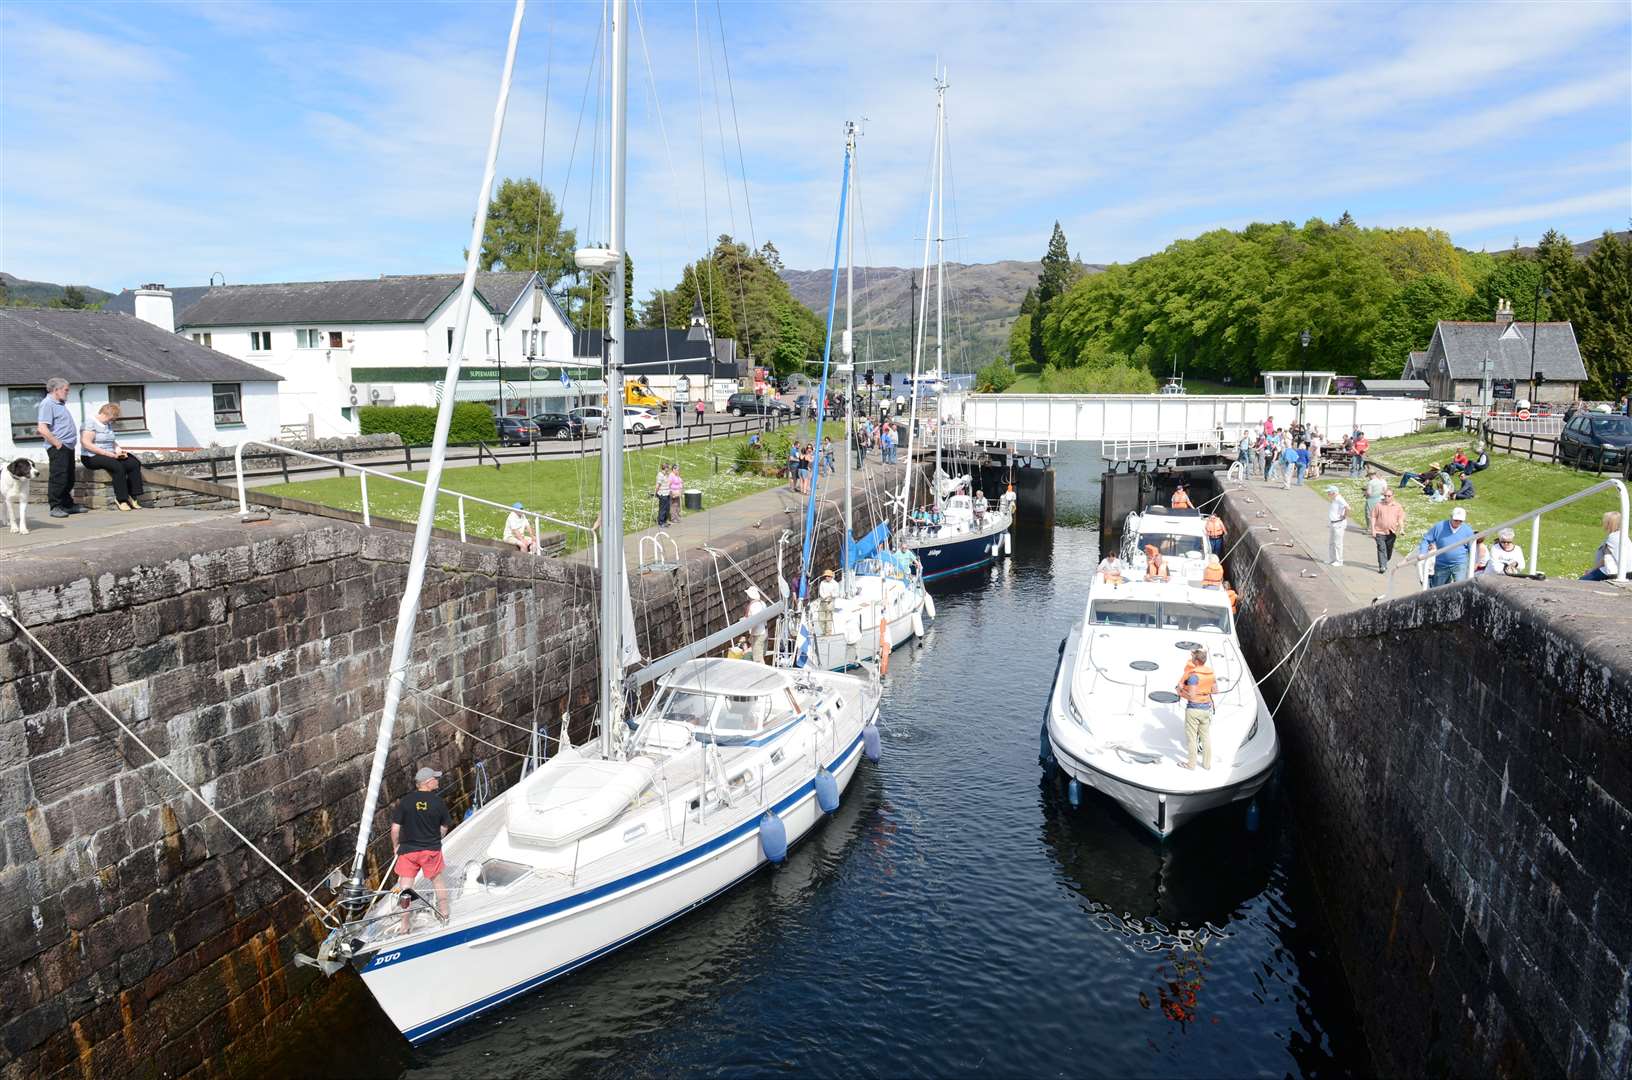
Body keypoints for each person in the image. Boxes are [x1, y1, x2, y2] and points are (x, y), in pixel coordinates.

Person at [391, 765, 453, 932]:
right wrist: (436, 838)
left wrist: (396, 846)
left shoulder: (405, 802)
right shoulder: (438, 802)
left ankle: (405, 924)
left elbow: (395, 829)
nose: (438, 781)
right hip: (430, 850)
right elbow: (444, 827)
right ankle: (445, 913)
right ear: (427, 782)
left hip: (408, 851)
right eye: (435, 778)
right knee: (438, 882)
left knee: (406, 888)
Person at [78, 403, 146, 510]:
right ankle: (121, 499)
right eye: (113, 419)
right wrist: (107, 454)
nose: (113, 421)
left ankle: (133, 496)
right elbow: (86, 443)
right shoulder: (90, 422)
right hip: (92, 456)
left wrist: (119, 451)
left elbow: (111, 441)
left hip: (110, 454)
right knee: (117, 466)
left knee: (133, 463)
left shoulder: (107, 423)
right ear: (106, 414)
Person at [35, 377, 85, 518]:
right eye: (66, 390)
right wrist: (57, 443)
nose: (67, 393)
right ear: (56, 390)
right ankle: (55, 506)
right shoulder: (47, 404)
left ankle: (67, 505)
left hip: (67, 446)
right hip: (58, 447)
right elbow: (42, 428)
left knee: (69, 477)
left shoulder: (59, 403)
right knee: (59, 477)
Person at [1177, 647, 1215, 771]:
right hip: (1206, 709)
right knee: (1206, 737)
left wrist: (1180, 691)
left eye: (1193, 658)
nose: (1191, 659)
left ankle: (1191, 764)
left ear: (1197, 661)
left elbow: (1192, 696)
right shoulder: (1211, 673)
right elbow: (1215, 690)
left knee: (1191, 738)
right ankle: (1207, 764)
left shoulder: (1193, 676)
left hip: (1194, 709)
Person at [1417, 506, 1475, 587]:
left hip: (1459, 563)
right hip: (1442, 564)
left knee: (1460, 587)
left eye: (1460, 521)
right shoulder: (1439, 527)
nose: (1458, 522)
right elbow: (1426, 539)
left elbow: (1472, 548)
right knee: (1437, 588)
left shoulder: (1468, 531)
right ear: (1451, 517)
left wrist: (1473, 564)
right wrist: (1422, 553)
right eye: (1455, 520)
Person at [1370, 488, 1405, 575]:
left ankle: (1385, 560)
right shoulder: (1379, 505)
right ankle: (1382, 566)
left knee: (1389, 550)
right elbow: (1373, 517)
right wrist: (1373, 529)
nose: (1386, 497)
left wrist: (1401, 529)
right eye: (1385, 496)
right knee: (1381, 548)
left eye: (1388, 496)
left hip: (1391, 532)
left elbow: (1400, 519)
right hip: (1379, 531)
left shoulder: (1398, 506)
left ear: (1393, 496)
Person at [1581, 511, 1624, 581]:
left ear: (1609, 524)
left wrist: (1592, 571)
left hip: (1610, 571)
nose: (1603, 523)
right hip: (1619, 570)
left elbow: (1605, 559)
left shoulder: (1612, 538)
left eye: (1605, 521)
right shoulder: (1621, 536)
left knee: (1582, 581)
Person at [1324, 484, 1350, 567]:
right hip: (1333, 522)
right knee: (1331, 542)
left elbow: (1347, 507)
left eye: (1329, 492)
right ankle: (1332, 559)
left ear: (1334, 492)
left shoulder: (1339, 499)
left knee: (1338, 543)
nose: (1328, 494)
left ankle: (1339, 561)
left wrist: (1344, 516)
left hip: (1339, 523)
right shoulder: (1335, 499)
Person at [745, 585, 768, 662]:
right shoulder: (762, 603)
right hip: (764, 631)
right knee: (760, 657)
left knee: (758, 659)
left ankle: (761, 673)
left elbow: (755, 622)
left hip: (758, 633)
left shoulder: (754, 606)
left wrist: (751, 635)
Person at [816, 568, 838, 634]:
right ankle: (823, 631)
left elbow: (836, 593)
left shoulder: (835, 584)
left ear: (831, 577)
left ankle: (828, 632)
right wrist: (824, 596)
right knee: (821, 618)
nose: (827, 577)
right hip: (823, 602)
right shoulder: (822, 583)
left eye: (828, 576)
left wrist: (830, 596)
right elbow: (820, 591)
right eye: (826, 576)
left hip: (830, 602)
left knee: (828, 618)